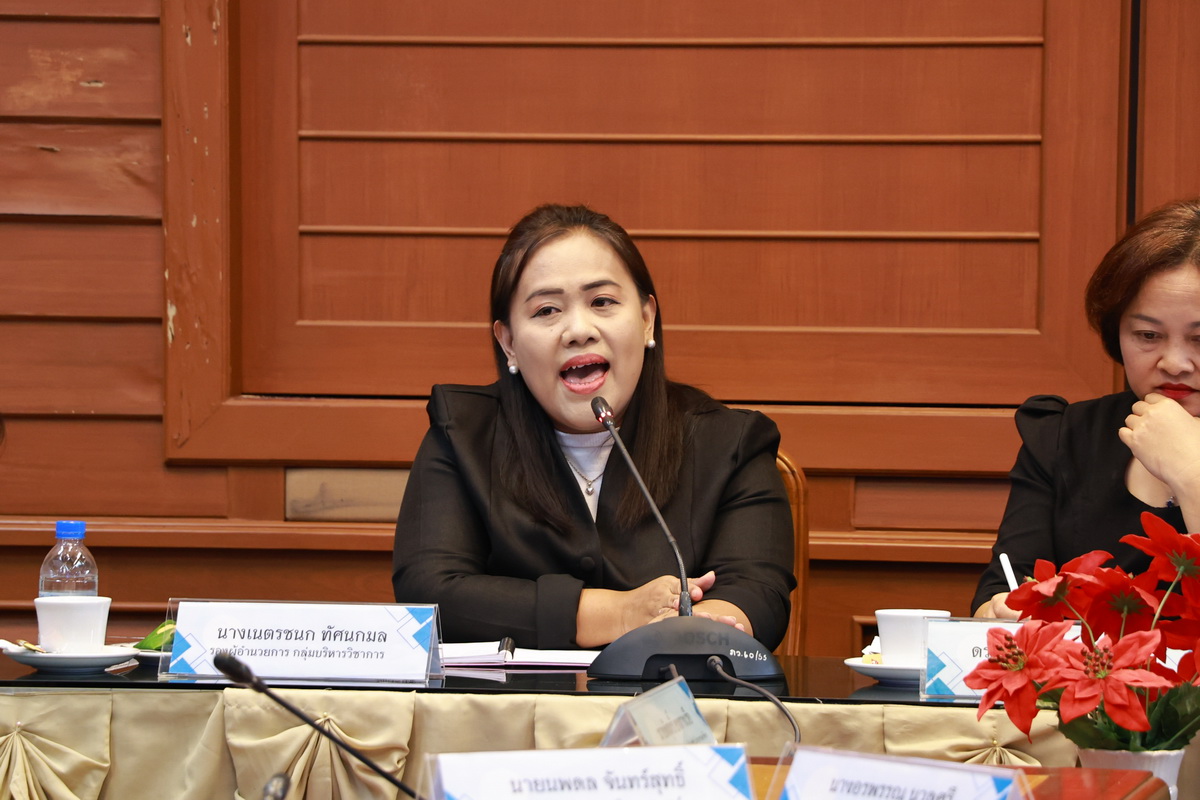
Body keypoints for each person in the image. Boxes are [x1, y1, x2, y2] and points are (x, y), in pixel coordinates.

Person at [393, 204, 796, 649]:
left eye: (602, 302)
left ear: (646, 319)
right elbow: (430, 591)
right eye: (547, 310)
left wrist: (694, 629)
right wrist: (620, 614)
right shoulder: (462, 435)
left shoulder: (730, 445)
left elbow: (756, 592)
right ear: (508, 342)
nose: (578, 330)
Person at [974, 198, 1200, 618]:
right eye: (1148, 335)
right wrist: (996, 613)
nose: (1174, 363)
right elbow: (1002, 588)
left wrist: (1191, 474)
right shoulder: (1064, 436)